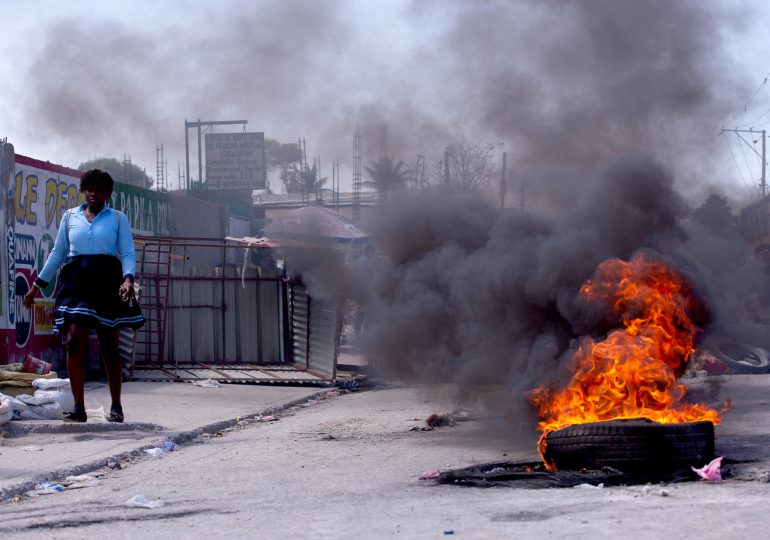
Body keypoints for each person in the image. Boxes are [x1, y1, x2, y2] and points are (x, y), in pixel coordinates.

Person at [23, 169, 144, 423]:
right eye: (89, 188)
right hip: (77, 283)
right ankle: (79, 407)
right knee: (74, 340)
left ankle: (116, 406)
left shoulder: (118, 219)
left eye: (99, 190)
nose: (93, 194)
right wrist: (36, 288)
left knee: (109, 347)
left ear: (108, 195)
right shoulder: (70, 217)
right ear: (84, 190)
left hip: (108, 283)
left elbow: (128, 253)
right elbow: (57, 254)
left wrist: (128, 279)